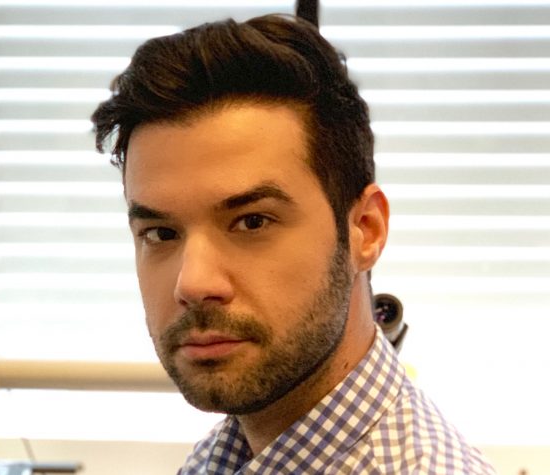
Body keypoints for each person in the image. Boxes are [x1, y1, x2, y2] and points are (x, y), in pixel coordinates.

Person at [91, 13, 496, 474]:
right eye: (161, 233)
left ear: (366, 229)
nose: (194, 282)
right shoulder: (222, 458)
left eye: (251, 222)